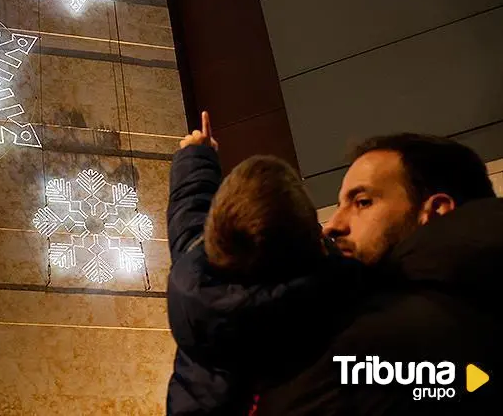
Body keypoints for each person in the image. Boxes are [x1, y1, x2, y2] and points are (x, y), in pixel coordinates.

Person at [256, 133, 502, 415]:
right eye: (339, 206)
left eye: (362, 202)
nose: (331, 226)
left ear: (436, 211)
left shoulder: (372, 344)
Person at [166, 111, 363, 415]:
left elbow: (189, 211)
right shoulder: (334, 306)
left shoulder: (195, 278)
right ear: (311, 244)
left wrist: (196, 154)